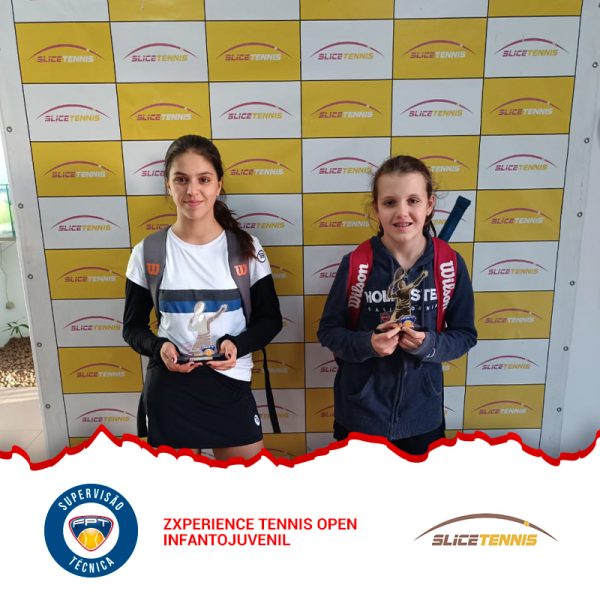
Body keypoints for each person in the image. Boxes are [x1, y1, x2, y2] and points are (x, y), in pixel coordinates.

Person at [123, 134, 282, 460]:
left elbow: (270, 320)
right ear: (168, 186)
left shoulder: (246, 248)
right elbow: (132, 328)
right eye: (181, 179)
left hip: (230, 385)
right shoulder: (148, 251)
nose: (192, 190)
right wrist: (160, 347)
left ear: (218, 185)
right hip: (170, 390)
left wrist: (238, 345)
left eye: (203, 179)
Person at [317, 155, 477, 455]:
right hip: (360, 416)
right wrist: (368, 344)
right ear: (376, 209)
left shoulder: (449, 264)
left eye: (413, 201)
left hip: (423, 417)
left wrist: (428, 345)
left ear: (429, 205)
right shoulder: (357, 264)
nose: (402, 212)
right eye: (390, 202)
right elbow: (329, 332)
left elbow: (465, 335)